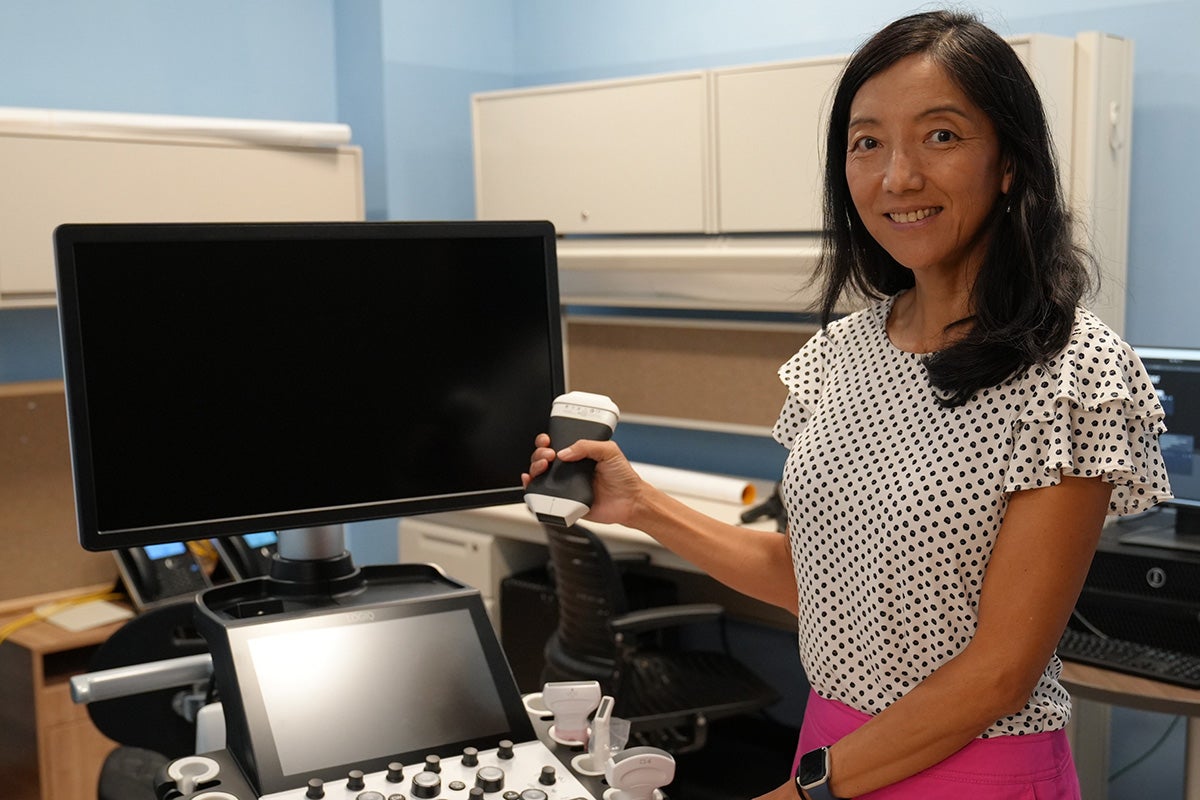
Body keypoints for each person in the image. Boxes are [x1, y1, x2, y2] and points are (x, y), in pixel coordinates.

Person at [524, 9, 1171, 800]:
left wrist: (801, 794)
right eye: (867, 142)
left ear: (1009, 163)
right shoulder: (841, 357)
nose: (897, 176)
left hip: (974, 770)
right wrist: (642, 504)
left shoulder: (1072, 372)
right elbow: (822, 581)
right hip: (834, 747)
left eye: (940, 135)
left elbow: (1001, 672)